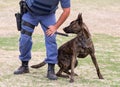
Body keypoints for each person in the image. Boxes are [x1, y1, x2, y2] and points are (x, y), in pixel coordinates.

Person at [14, 0, 70, 80]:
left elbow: (66, 11)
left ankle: (51, 69)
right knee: (24, 39)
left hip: (48, 15)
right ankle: (24, 65)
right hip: (30, 13)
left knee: (51, 39)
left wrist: (55, 27)